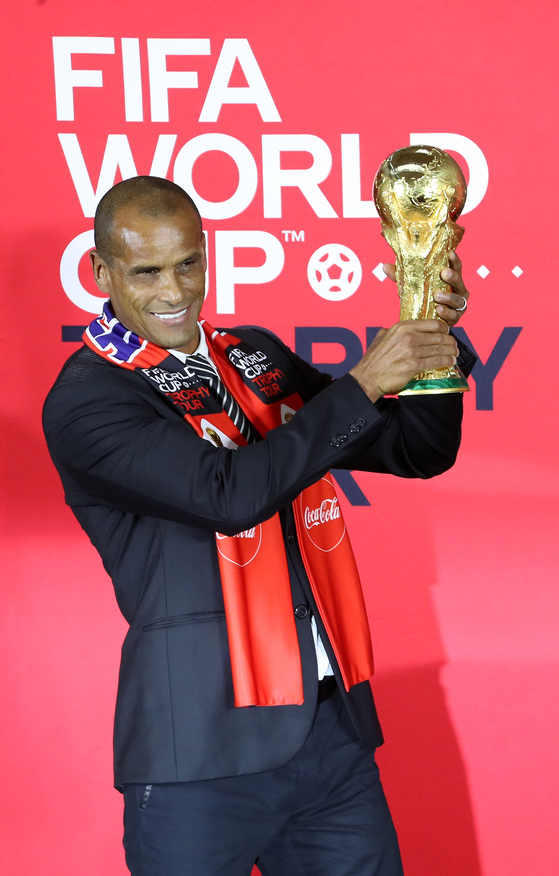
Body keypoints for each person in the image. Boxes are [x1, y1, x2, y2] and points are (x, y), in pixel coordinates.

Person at [43, 176, 475, 876]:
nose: (174, 290)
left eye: (188, 263)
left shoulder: (252, 356)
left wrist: (433, 342)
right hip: (201, 754)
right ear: (101, 272)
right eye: (146, 271)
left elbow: (413, 450)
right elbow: (229, 495)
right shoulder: (89, 400)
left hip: (330, 737)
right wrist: (363, 381)